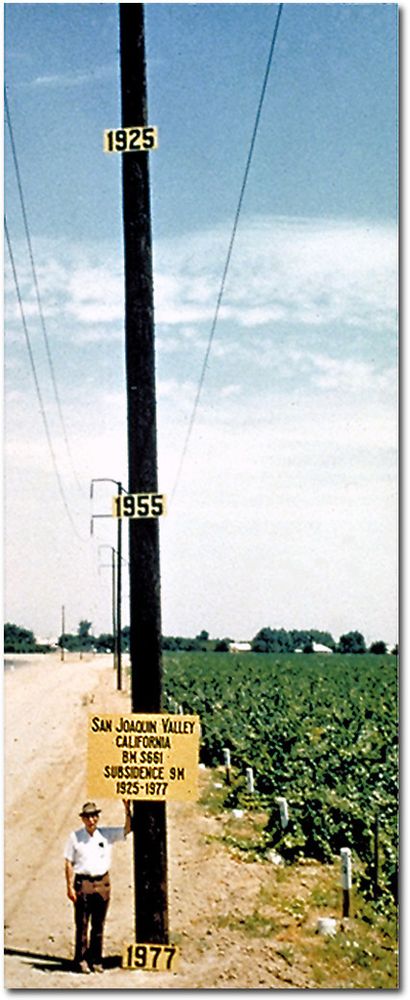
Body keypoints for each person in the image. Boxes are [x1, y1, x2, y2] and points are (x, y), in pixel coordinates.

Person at [64, 799, 132, 974]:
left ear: (98, 817)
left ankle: (96, 960)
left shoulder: (106, 834)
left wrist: (127, 810)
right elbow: (68, 862)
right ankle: (81, 960)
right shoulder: (75, 837)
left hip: (102, 883)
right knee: (82, 924)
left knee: (99, 925)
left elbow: (127, 830)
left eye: (94, 816)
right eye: (88, 817)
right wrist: (70, 887)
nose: (91, 820)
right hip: (84, 882)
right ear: (83, 819)